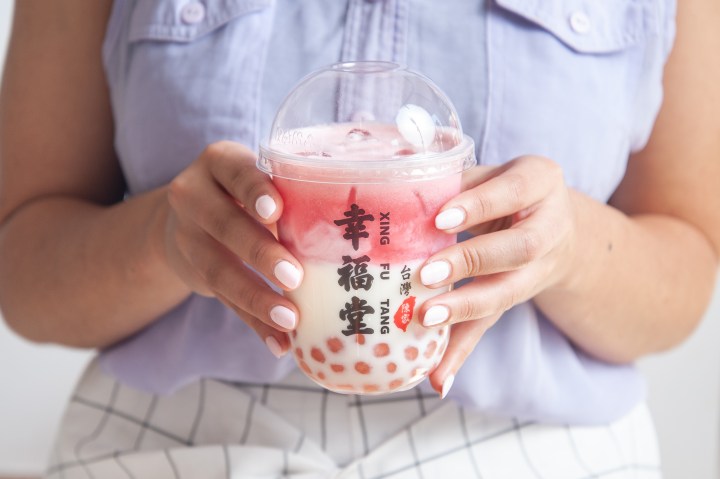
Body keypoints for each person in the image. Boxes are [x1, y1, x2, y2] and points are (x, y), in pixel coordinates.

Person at [1, 0, 718, 477]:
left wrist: (571, 246)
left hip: (531, 443)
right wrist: (163, 237)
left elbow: (686, 272)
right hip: (181, 435)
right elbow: (23, 271)